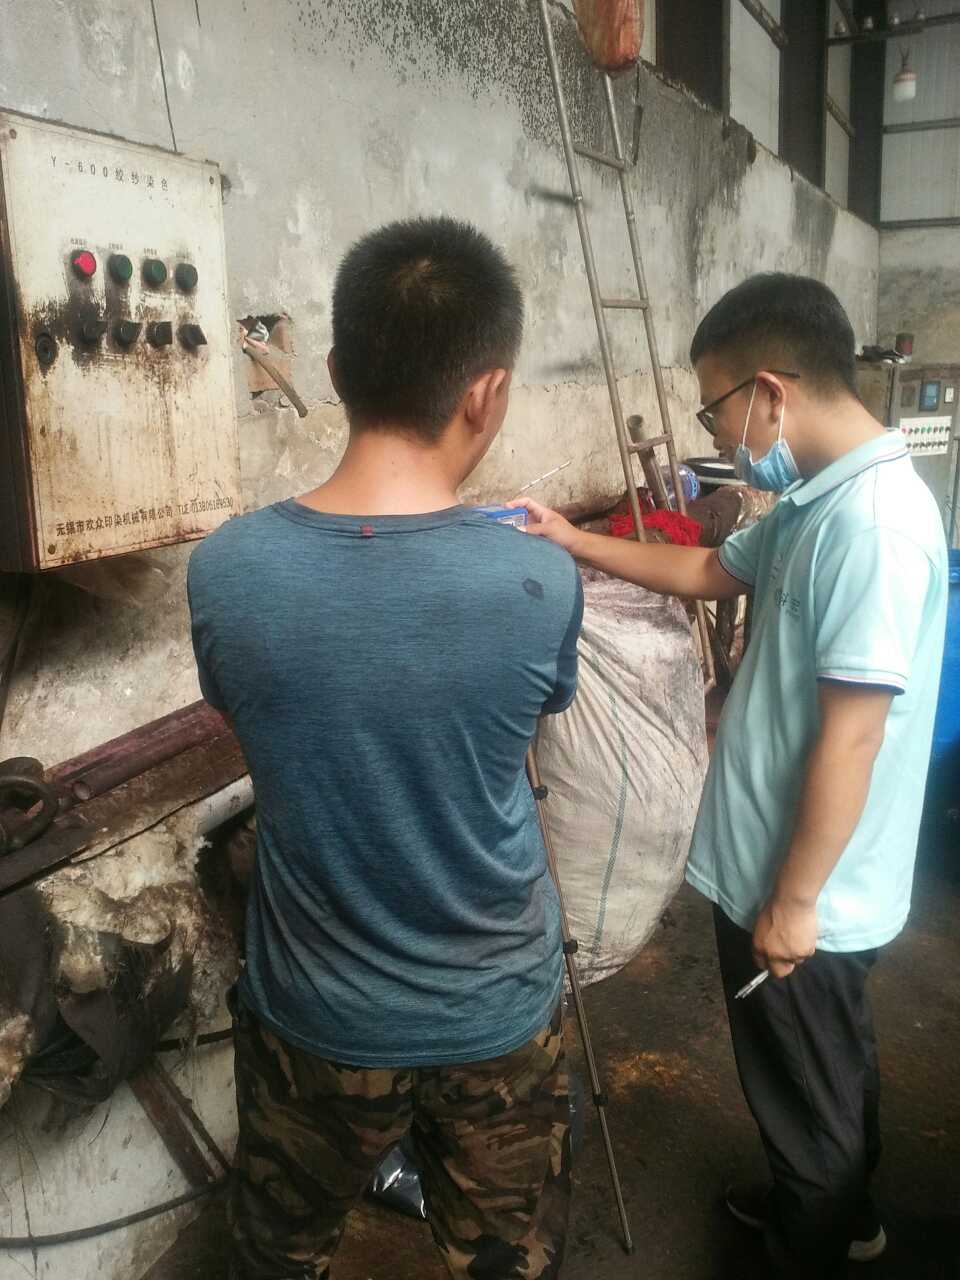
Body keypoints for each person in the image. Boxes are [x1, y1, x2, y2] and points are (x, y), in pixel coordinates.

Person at [510, 274, 949, 1278]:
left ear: (769, 392)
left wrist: (793, 903)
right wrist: (573, 540)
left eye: (715, 409)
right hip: (779, 869)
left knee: (807, 1096)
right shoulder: (816, 500)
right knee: (826, 1066)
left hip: (806, 889)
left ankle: (815, 1230)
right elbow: (709, 571)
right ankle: (841, 1212)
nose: (719, 431)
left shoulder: (873, 526)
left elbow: (852, 739)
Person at [188, 217, 583, 1280]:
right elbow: (528, 725)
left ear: (333, 372)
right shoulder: (540, 578)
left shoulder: (226, 571)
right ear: (486, 393)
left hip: (314, 1015)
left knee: (279, 1256)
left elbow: (247, 712)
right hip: (497, 1012)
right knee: (504, 1261)